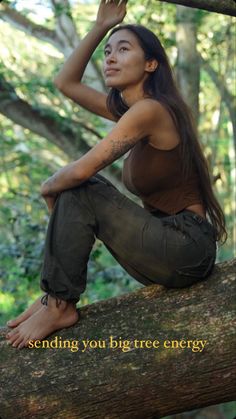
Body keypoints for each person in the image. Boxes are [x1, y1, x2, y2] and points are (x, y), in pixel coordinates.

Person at [6, 0, 226, 349]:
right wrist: (99, 27)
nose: (110, 57)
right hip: (163, 249)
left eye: (123, 50)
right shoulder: (132, 112)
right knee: (78, 187)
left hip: (186, 247)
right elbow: (64, 82)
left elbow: (82, 170)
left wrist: (49, 187)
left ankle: (59, 303)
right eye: (108, 51)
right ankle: (54, 299)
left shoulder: (151, 111)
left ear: (151, 63)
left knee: (81, 186)